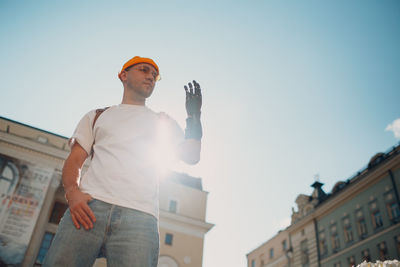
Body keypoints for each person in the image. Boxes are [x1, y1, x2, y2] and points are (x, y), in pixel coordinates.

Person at [43, 56, 203, 267]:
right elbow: (74, 161)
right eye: (144, 70)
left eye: (154, 75)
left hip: (140, 218)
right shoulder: (98, 115)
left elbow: (192, 155)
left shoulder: (162, 121)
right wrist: (73, 193)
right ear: (123, 75)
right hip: (90, 207)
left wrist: (194, 116)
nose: (150, 77)